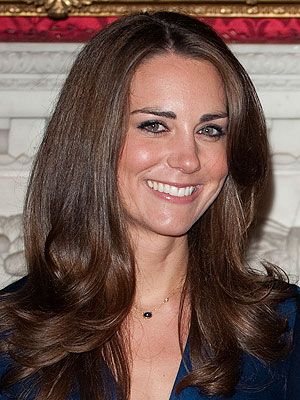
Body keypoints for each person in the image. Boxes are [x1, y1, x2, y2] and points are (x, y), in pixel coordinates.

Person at [0, 11, 299, 400]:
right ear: (93, 139)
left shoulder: (281, 329)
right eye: (155, 126)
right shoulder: (11, 336)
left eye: (210, 130)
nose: (188, 160)